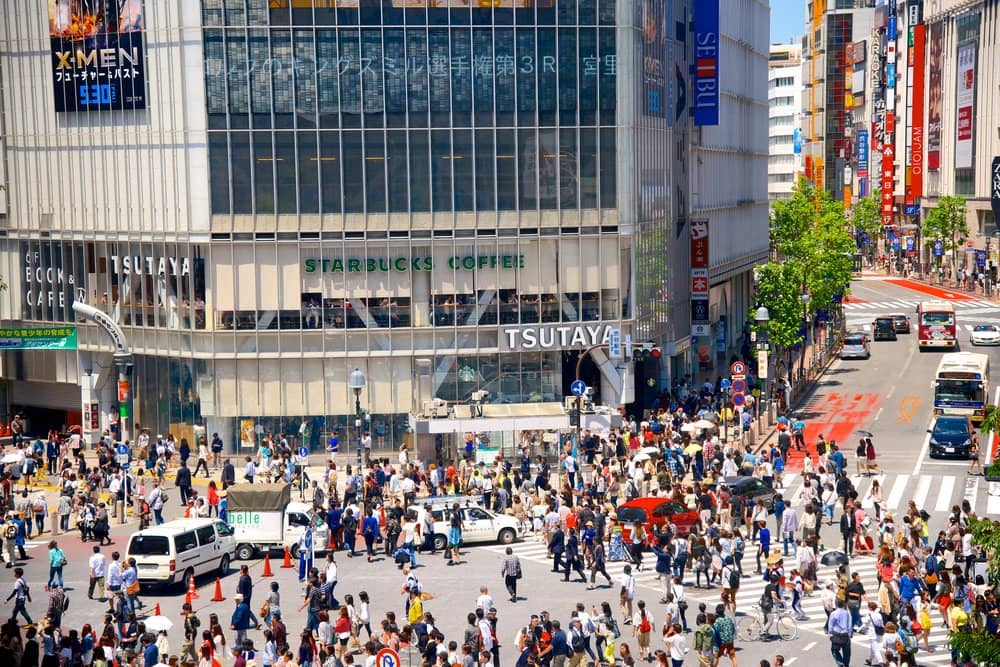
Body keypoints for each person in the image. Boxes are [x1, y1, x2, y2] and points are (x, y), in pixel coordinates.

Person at [827, 599, 853, 667]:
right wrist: (850, 634)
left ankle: (840, 663)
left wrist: (830, 634)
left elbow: (831, 625)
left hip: (836, 635)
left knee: (834, 650)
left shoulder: (833, 613)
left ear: (836, 605)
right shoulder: (847, 613)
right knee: (847, 652)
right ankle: (846, 664)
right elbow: (850, 625)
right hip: (845, 635)